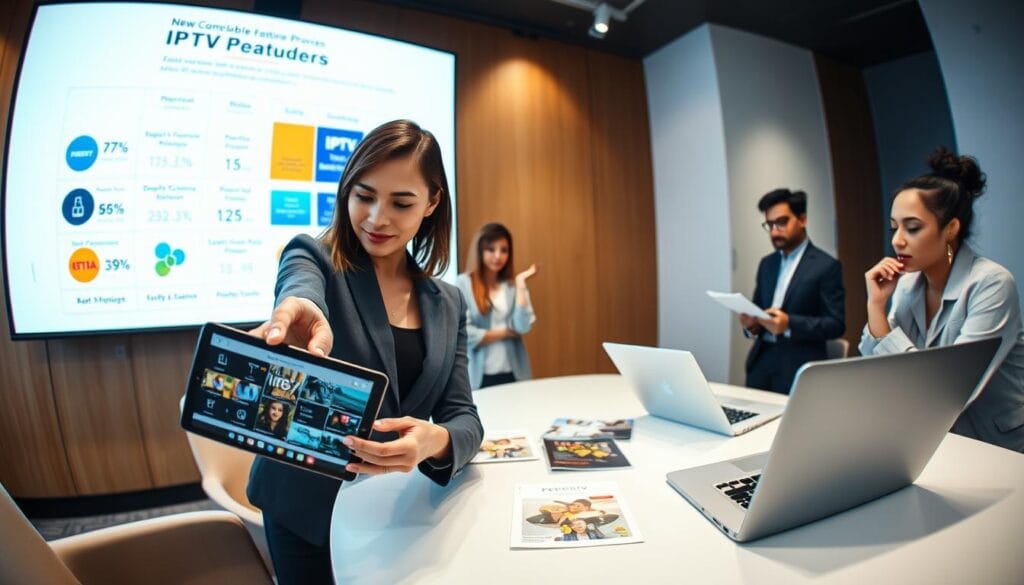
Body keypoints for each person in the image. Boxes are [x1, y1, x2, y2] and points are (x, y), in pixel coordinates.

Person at [245, 120, 484, 584]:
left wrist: (433, 441)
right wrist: (300, 309)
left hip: (396, 510)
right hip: (306, 509)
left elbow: (464, 417)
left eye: (401, 203)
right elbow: (300, 288)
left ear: (433, 203)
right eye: (364, 195)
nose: (377, 218)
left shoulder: (449, 302)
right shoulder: (313, 256)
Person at [860, 148, 1024, 452]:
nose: (897, 240)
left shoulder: (992, 284)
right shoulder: (908, 286)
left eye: (912, 227)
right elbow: (879, 374)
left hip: (998, 448)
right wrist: (876, 306)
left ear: (950, 229)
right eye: (894, 227)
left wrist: (884, 332)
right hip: (937, 443)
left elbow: (947, 393)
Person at [740, 188, 846, 393]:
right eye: (769, 224)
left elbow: (836, 325)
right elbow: (759, 311)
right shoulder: (767, 264)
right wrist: (751, 325)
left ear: (802, 219)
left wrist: (789, 323)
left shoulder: (826, 266)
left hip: (798, 365)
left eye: (781, 222)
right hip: (761, 361)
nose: (774, 231)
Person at [455, 223, 538, 389]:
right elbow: (466, 333)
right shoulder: (463, 283)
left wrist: (520, 283)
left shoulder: (513, 285)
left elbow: (522, 327)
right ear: (480, 251)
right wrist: (507, 332)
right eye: (491, 249)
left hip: (514, 372)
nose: (498, 256)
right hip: (479, 375)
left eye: (504, 250)